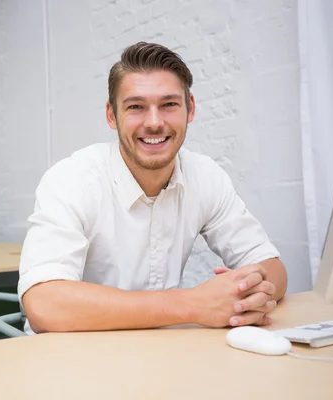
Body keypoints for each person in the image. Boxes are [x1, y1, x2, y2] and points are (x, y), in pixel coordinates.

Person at [18, 41, 288, 334]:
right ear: (112, 115)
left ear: (191, 108)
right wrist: (193, 304)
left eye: (169, 104)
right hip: (74, 358)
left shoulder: (206, 176)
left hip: (162, 353)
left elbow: (272, 269)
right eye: (136, 107)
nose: (155, 122)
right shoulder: (71, 180)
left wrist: (245, 295)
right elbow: (44, 305)